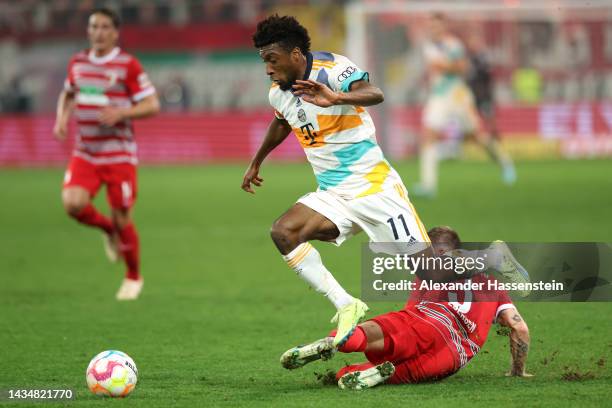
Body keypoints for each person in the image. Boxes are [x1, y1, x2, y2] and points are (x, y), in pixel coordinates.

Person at [242, 14, 433, 347]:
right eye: (264, 62)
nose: (268, 69)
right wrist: (257, 161)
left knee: (431, 274)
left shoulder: (333, 68)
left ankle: (491, 265)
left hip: (376, 189)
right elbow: (282, 122)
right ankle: (346, 303)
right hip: (334, 196)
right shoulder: (279, 93)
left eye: (272, 60)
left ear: (296, 54)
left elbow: (375, 93)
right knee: (283, 231)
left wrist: (336, 97)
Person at [280, 226, 533, 390]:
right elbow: (519, 328)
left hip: (425, 320)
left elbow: (410, 313)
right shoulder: (494, 288)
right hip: (453, 353)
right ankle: (372, 373)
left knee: (365, 337)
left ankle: (334, 341)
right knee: (397, 372)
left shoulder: (426, 274)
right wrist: (517, 370)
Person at [53, 7, 160, 300]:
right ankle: (107, 230)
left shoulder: (128, 65)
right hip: (86, 151)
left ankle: (133, 277)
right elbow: (68, 93)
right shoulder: (78, 62)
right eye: (93, 27)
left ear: (115, 32)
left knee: (122, 216)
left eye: (103, 27)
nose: (97, 32)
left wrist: (122, 112)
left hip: (118, 155)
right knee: (73, 204)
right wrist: (61, 118)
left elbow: (152, 104)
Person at [414, 13, 515, 198]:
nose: (434, 29)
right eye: (432, 26)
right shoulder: (428, 47)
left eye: (437, 25)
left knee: (475, 136)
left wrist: (444, 66)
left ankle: (504, 162)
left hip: (457, 95)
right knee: (428, 135)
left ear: (444, 27)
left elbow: (463, 68)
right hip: (438, 96)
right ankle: (428, 185)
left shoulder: (453, 45)